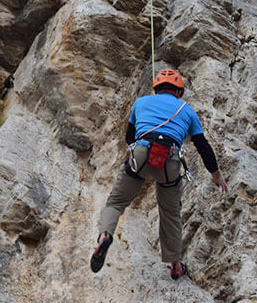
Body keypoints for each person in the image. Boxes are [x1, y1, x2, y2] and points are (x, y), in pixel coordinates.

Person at [90, 68, 228, 279]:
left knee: (115, 203)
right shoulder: (188, 110)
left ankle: (105, 236)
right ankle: (175, 265)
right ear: (178, 92)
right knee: (170, 214)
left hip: (141, 154)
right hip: (169, 161)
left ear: (156, 89)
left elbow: (129, 138)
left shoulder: (141, 103)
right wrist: (216, 175)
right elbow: (203, 146)